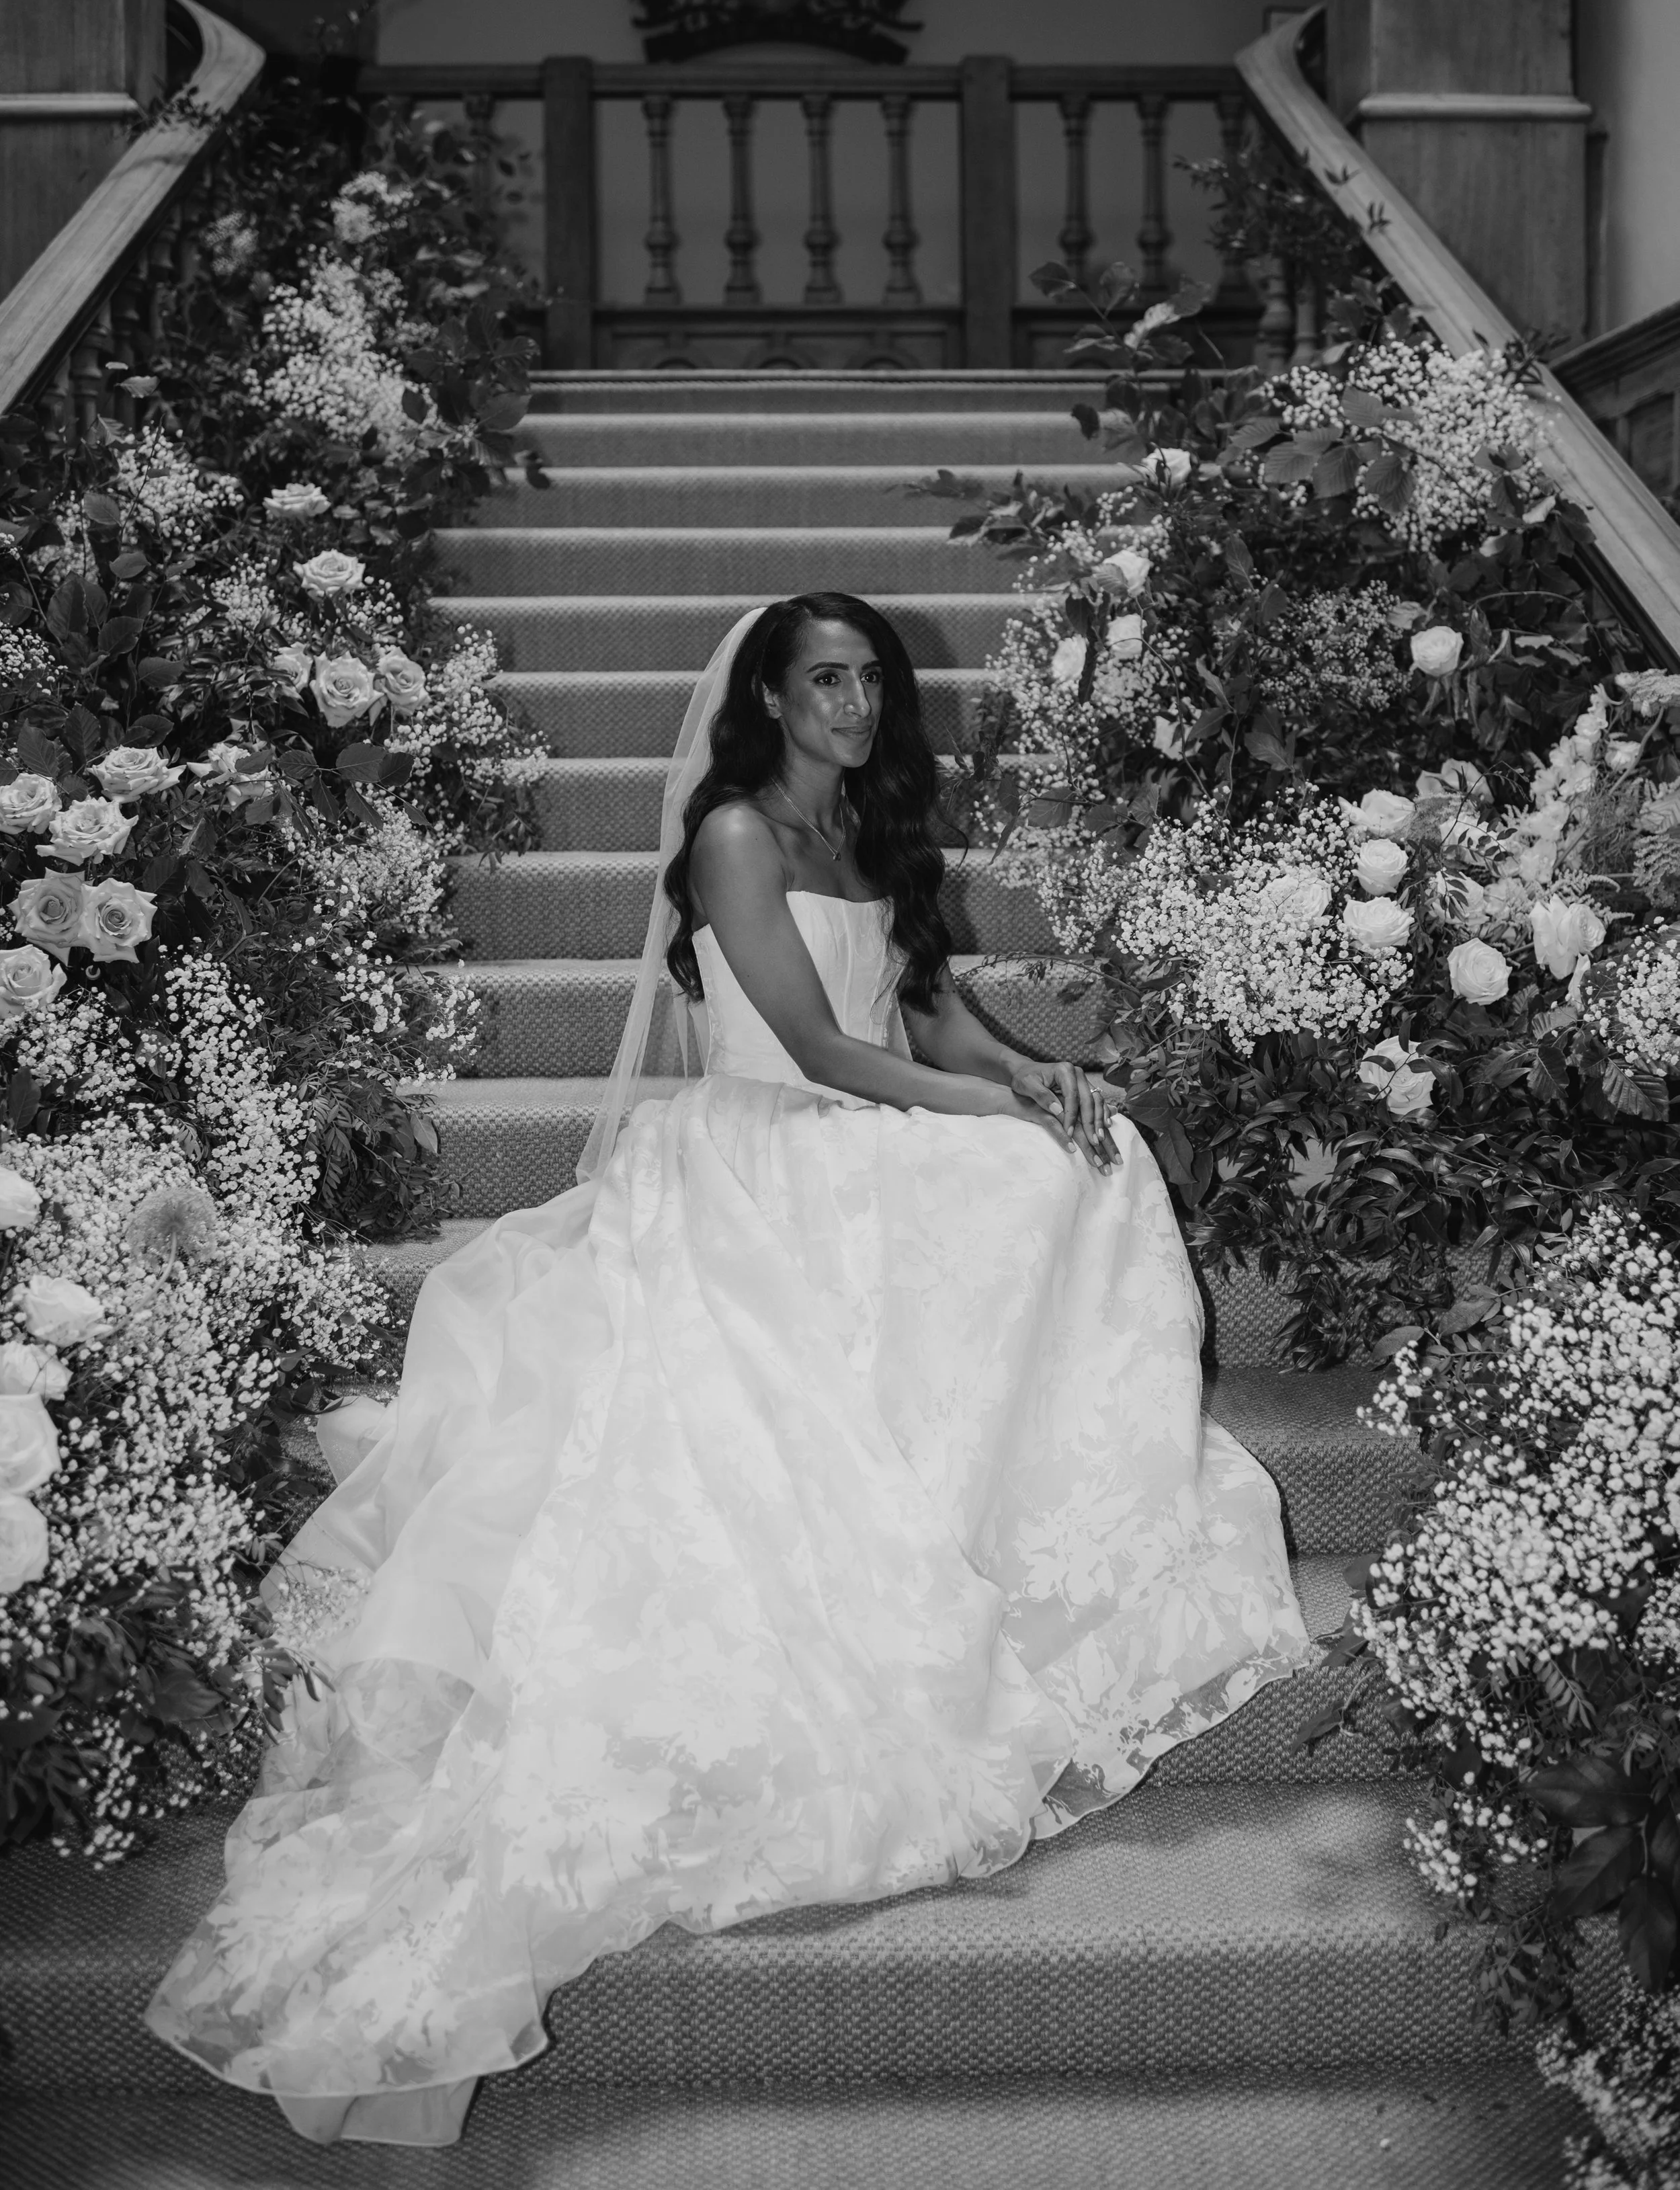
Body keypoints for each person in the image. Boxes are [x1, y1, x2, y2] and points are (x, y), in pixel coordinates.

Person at [146, 593, 1312, 2147]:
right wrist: (984, 1119)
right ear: (764, 695)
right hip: (768, 1149)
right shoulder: (739, 838)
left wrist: (1026, 1071)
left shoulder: (865, 823)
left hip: (861, 1126)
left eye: (866, 681)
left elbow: (917, 1000)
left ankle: (1014, 1492)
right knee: (1027, 1174)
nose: (849, 703)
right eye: (821, 679)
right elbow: (819, 1051)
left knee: (1077, 1160)